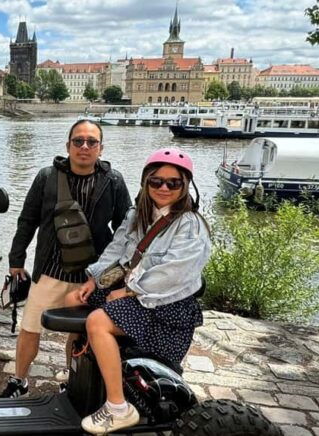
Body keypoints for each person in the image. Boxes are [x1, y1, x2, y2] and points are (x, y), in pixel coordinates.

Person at [67, 148, 211, 434]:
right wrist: (93, 279)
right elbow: (117, 250)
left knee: (98, 321)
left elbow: (174, 273)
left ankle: (118, 407)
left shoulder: (190, 226)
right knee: (72, 299)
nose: (164, 188)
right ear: (146, 182)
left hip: (164, 304)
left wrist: (130, 291)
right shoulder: (138, 213)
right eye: (156, 181)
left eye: (174, 183)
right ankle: (79, 381)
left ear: (186, 186)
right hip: (137, 291)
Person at [0, 119, 132, 398]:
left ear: (101, 148)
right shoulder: (46, 177)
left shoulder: (114, 182)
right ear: (68, 145)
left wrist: (125, 274)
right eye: (78, 141)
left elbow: (127, 230)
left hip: (92, 275)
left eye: (91, 142)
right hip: (50, 269)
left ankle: (74, 381)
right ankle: (19, 380)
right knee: (30, 327)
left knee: (81, 332)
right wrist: (16, 259)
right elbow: (27, 221)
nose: (84, 147)